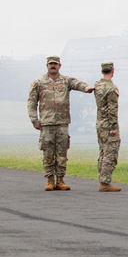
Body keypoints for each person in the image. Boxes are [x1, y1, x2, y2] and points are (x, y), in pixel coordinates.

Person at [27, 55, 94, 191]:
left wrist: (87, 88)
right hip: (47, 124)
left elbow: (77, 83)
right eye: (51, 64)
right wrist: (34, 119)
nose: (53, 66)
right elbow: (32, 102)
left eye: (55, 64)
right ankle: (50, 180)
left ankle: (61, 180)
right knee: (48, 153)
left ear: (59, 66)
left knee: (62, 153)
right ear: (47, 66)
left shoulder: (65, 81)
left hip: (62, 123)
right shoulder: (38, 82)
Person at [93, 62, 121, 192]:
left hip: (100, 123)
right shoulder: (111, 88)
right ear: (113, 71)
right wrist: (114, 126)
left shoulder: (97, 85)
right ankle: (105, 182)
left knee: (103, 152)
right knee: (110, 153)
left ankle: (102, 178)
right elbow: (112, 109)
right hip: (109, 125)